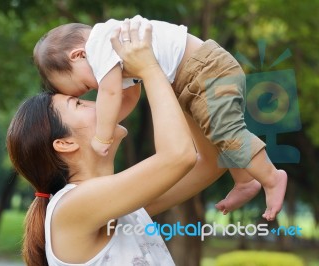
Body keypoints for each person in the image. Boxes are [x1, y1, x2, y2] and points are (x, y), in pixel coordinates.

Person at [32, 15, 287, 221]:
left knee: (226, 131)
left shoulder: (100, 47)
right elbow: (127, 98)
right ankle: (245, 180)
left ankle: (272, 177)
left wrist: (102, 135)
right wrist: (106, 126)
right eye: (80, 100)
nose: (94, 93)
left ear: (77, 55)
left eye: (83, 91)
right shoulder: (111, 52)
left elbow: (111, 93)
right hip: (190, 78)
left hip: (204, 69)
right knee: (219, 132)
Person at [7, 22, 203, 265]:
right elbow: (179, 157)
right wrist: (152, 69)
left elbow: (212, 163)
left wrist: (176, 76)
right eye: (78, 104)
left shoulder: (121, 205)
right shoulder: (72, 207)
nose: (98, 101)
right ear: (65, 143)